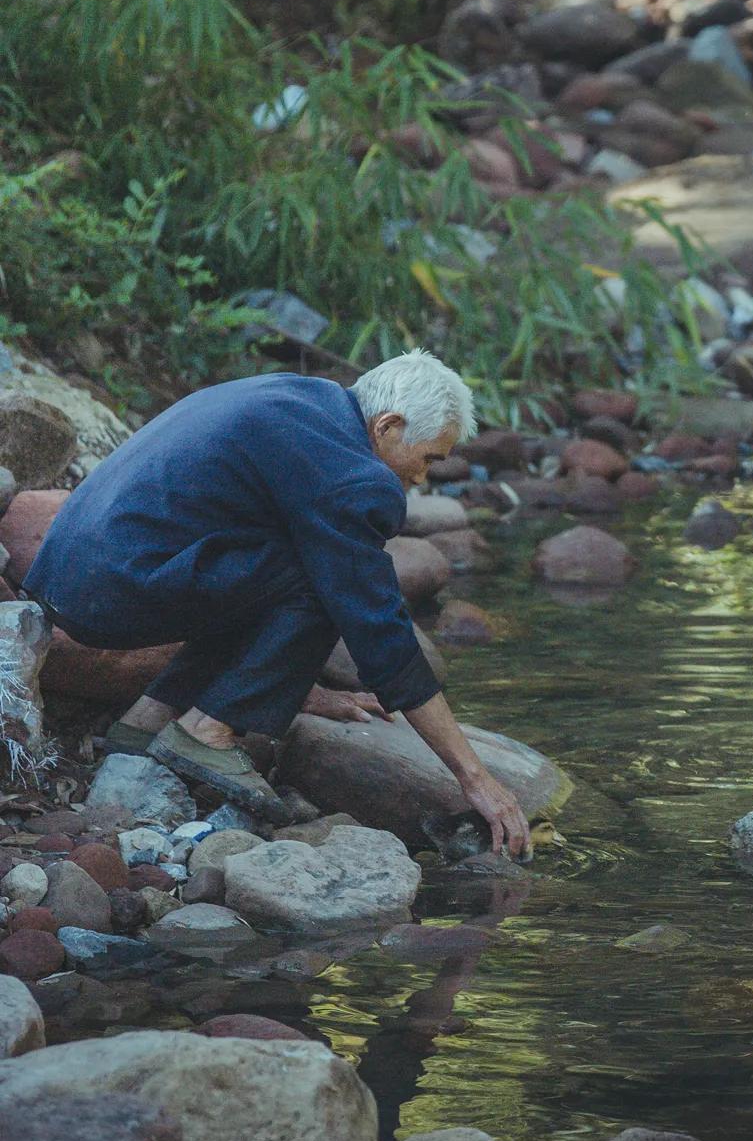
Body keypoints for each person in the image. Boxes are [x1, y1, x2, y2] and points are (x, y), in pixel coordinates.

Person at [26, 349, 530, 854]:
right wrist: (475, 778)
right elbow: (380, 634)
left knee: (309, 560)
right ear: (389, 426)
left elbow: (249, 574)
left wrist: (303, 688)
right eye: (427, 459)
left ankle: (146, 721)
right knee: (330, 577)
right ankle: (209, 731)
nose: (421, 479)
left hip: (63, 572)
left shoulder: (304, 399)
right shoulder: (357, 476)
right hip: (109, 593)